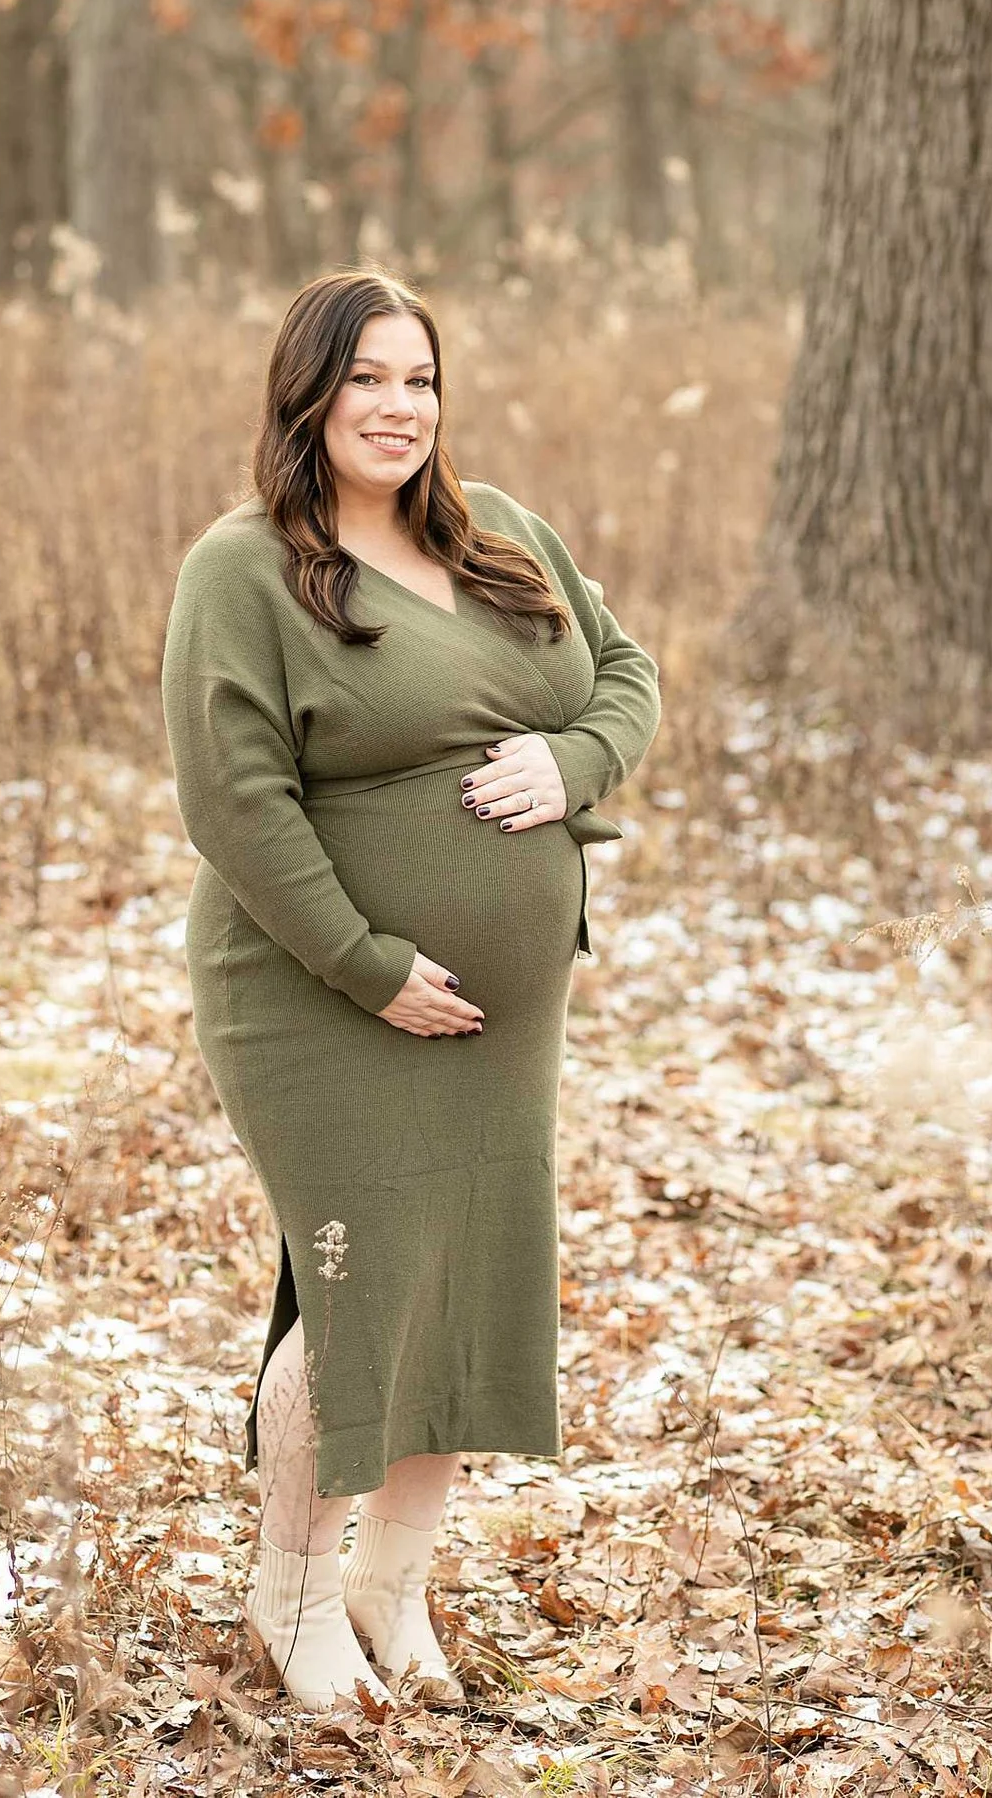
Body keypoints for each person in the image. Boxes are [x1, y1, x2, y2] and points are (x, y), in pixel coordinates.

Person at [160, 269, 661, 1710]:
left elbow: (624, 673)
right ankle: (297, 1593)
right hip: (314, 986)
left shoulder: (499, 533)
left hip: (501, 1010)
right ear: (306, 395)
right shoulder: (245, 570)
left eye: (420, 378)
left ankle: (393, 1585)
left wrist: (573, 762)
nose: (399, 407)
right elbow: (235, 802)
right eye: (366, 379)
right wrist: (369, 964)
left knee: (466, 1268)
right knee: (363, 1272)